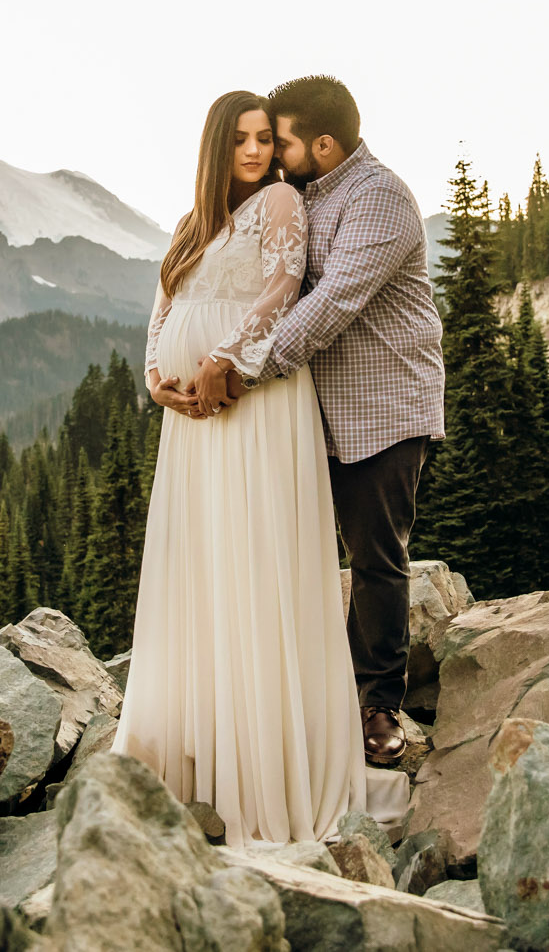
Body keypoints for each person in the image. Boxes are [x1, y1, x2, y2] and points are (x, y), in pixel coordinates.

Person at [110, 90, 370, 845]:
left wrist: (225, 358)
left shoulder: (282, 204)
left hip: (253, 405)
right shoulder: (191, 226)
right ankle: (198, 741)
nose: (256, 152)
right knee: (204, 562)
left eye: (265, 139)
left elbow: (280, 290)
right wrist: (158, 377)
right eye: (242, 140)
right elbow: (163, 308)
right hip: (192, 422)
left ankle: (262, 762)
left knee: (254, 558)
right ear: (217, 147)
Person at [188, 75, 443, 768]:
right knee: (294, 551)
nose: (274, 150)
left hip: (383, 408)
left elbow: (332, 304)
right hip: (309, 412)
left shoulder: (380, 199)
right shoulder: (300, 196)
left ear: (323, 145)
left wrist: (239, 367)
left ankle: (378, 706)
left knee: (375, 558)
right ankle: (294, 694)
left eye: (285, 139)